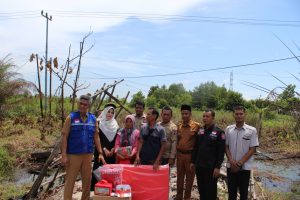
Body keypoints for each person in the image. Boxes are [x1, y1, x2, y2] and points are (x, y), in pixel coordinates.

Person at [61, 95, 104, 200]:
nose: (82, 106)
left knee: (87, 180)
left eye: (85, 104)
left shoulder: (93, 119)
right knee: (70, 181)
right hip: (73, 155)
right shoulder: (71, 118)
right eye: (80, 103)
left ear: (89, 105)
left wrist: (100, 152)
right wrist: (63, 155)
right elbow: (64, 136)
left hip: (88, 155)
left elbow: (96, 136)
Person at [225, 105, 259, 200]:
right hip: (231, 167)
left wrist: (239, 163)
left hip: (244, 168)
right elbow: (226, 146)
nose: (239, 116)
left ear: (245, 115)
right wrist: (231, 161)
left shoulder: (251, 130)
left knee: (243, 194)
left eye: (241, 114)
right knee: (231, 193)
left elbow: (253, 149)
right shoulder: (228, 129)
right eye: (237, 114)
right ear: (233, 115)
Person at [191, 110, 225, 200]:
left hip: (211, 168)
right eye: (204, 116)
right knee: (201, 190)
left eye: (207, 116)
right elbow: (196, 147)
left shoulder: (219, 132)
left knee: (211, 191)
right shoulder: (200, 130)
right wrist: (193, 162)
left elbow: (221, 152)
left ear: (213, 118)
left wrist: (217, 167)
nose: (205, 118)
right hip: (199, 166)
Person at [91, 103, 119, 190]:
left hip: (111, 154)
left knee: (110, 174)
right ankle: (96, 193)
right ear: (105, 112)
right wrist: (104, 150)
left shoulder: (116, 125)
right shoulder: (99, 123)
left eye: (112, 112)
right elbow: (96, 138)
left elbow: (116, 139)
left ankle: (108, 193)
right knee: (98, 173)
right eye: (108, 112)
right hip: (100, 153)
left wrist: (113, 149)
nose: (110, 114)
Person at [176, 104, 200, 200]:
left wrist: (196, 159)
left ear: (190, 114)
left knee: (190, 179)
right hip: (180, 155)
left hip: (190, 156)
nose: (185, 115)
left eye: (186, 113)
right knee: (179, 177)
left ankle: (187, 197)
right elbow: (177, 140)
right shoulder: (179, 126)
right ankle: (178, 197)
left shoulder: (197, 126)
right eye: (183, 114)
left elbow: (199, 143)